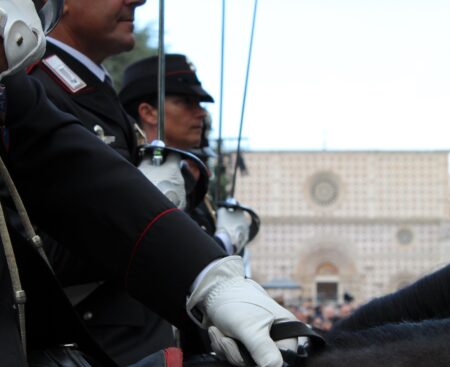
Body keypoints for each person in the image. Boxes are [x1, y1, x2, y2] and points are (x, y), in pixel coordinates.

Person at [0, 1, 302, 367]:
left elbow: (75, 172)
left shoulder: (24, 91)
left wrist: (210, 278)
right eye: (186, 102)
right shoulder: (49, 80)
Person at [119, 54, 254, 258]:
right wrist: (225, 242)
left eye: (199, 104)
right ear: (149, 113)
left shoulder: (188, 181)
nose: (202, 113)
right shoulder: (126, 171)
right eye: (187, 102)